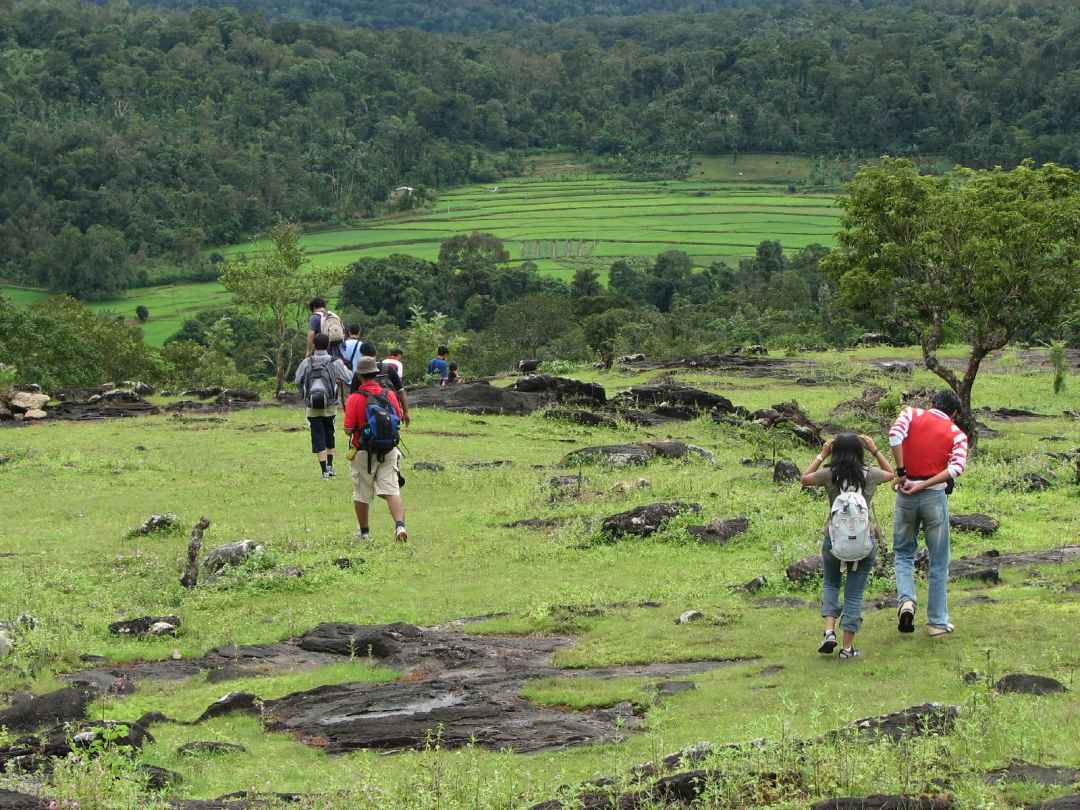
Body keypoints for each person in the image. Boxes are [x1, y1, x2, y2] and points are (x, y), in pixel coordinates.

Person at [802, 434, 895, 660]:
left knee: (831, 583)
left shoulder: (829, 474)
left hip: (834, 540)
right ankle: (847, 648)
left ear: (835, 452)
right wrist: (875, 449)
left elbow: (804, 478)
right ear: (860, 451)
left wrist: (821, 454)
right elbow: (892, 474)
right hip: (864, 542)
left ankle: (828, 632)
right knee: (854, 593)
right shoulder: (870, 474)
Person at [889, 390, 968, 638]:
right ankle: (936, 622)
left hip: (905, 495)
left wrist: (902, 473)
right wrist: (923, 485)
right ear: (954, 413)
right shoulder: (957, 434)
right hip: (934, 498)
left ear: (932, 404)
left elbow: (894, 436)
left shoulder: (911, 414)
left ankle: (907, 601)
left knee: (902, 552)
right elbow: (956, 468)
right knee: (938, 559)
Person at [344, 358, 408, 543]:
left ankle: (364, 533)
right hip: (389, 449)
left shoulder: (355, 398)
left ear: (359, 375)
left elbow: (348, 428)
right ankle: (400, 526)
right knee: (392, 490)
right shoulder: (389, 395)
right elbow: (398, 418)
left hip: (362, 450)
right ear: (376, 373)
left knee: (361, 493)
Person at [294, 333, 352, 479]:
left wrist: (304, 392)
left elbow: (297, 380)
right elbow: (348, 378)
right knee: (329, 434)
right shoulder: (335, 361)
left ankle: (324, 471)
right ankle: (331, 466)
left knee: (317, 436)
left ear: (314, 345)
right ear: (327, 345)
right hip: (330, 406)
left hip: (312, 406)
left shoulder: (307, 362)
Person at [359, 341, 410, 425]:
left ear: (361, 355)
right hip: (389, 411)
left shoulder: (359, 372)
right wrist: (405, 412)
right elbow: (401, 391)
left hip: (366, 415)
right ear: (376, 353)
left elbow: (353, 394)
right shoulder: (388, 368)